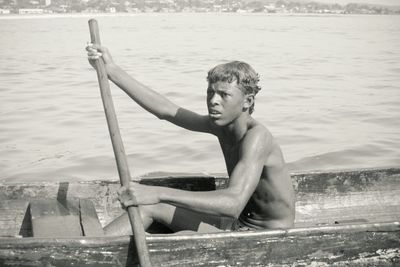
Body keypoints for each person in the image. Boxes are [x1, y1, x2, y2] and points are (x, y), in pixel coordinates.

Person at [86, 44, 295, 235]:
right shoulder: (221, 126)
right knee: (149, 210)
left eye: (224, 95)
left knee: (154, 204)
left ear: (247, 101)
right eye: (210, 93)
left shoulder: (257, 137)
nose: (213, 101)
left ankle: (88, 252)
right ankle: (91, 249)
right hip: (237, 225)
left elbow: (233, 204)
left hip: (266, 236)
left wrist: (156, 193)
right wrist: (111, 71)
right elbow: (166, 111)